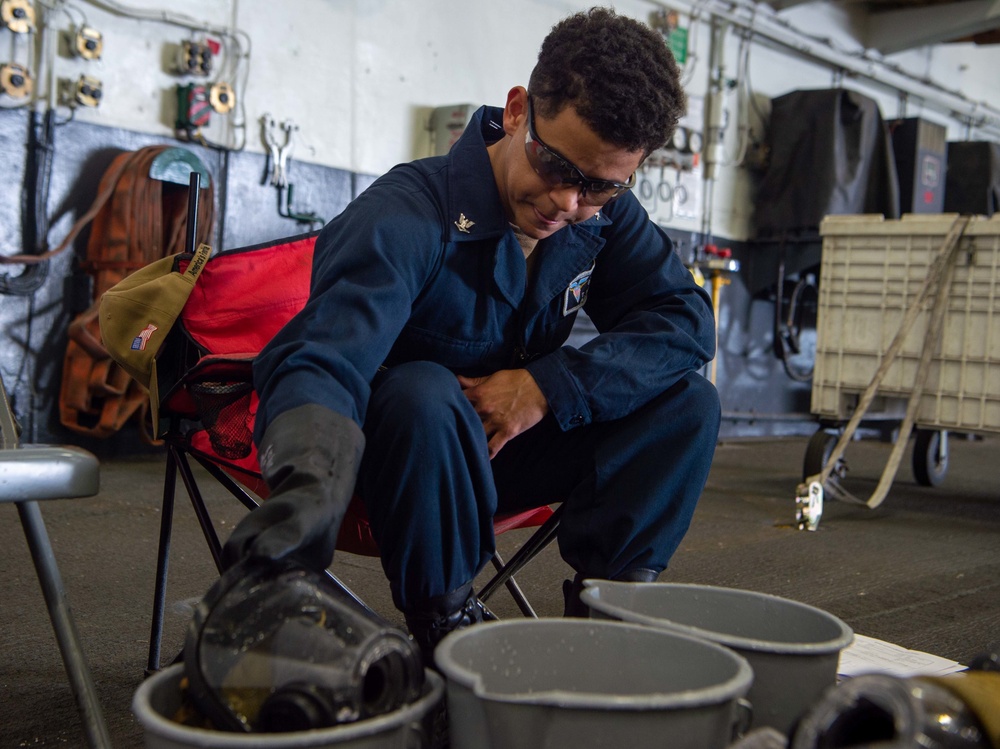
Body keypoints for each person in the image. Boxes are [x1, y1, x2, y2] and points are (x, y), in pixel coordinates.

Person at [220, 6, 719, 664]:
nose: (570, 204)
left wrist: (548, 385)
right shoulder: (405, 214)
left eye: (601, 187)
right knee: (425, 391)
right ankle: (446, 625)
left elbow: (685, 321)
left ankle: (610, 615)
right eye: (558, 167)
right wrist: (291, 531)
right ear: (518, 112)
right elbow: (322, 360)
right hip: (399, 465)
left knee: (687, 402)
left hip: (504, 455)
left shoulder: (602, 215)